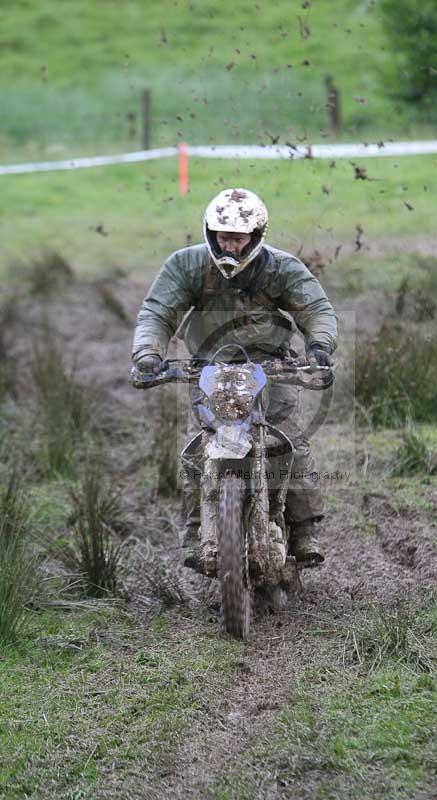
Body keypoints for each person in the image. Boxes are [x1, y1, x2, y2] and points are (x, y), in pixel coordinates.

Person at [132, 187, 338, 569]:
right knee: (198, 448)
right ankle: (196, 532)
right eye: (223, 236)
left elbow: (316, 309)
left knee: (289, 442)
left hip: (271, 367)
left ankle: (304, 529)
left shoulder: (281, 268)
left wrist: (320, 347)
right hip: (209, 368)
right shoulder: (187, 265)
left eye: (238, 238)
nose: (229, 245)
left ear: (256, 236)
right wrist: (148, 354)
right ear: (211, 233)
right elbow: (157, 313)